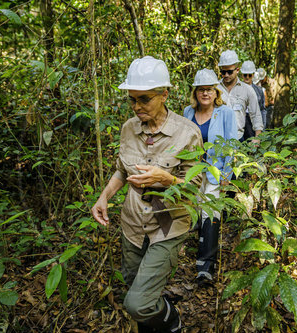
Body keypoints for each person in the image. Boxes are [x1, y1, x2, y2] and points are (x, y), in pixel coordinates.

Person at [91, 56, 203, 333]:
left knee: (138, 304)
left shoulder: (188, 133)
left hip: (168, 225)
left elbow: (195, 185)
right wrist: (104, 197)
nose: (137, 107)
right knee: (132, 282)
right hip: (132, 224)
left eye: (144, 99)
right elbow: (120, 170)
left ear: (164, 94)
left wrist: (168, 179)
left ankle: (171, 320)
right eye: (132, 100)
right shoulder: (129, 128)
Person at [183, 69, 239, 285]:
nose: (205, 93)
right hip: (193, 171)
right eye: (201, 90)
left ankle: (205, 266)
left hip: (216, 172)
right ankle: (201, 249)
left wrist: (228, 174)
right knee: (197, 211)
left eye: (209, 90)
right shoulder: (188, 112)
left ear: (216, 92)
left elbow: (232, 144)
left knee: (211, 213)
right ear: (195, 92)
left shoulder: (224, 113)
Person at [216, 50, 263, 141]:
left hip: (238, 138)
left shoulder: (247, 90)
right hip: (217, 138)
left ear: (237, 70)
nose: (226, 75)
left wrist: (258, 137)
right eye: (223, 72)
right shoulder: (215, 88)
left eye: (229, 72)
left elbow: (256, 114)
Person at [241, 60, 267, 131]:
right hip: (241, 121)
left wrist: (262, 128)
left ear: (253, 75)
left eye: (249, 75)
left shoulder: (259, 90)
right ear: (242, 75)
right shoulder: (237, 89)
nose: (247, 77)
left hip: (254, 121)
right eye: (245, 75)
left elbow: (262, 110)